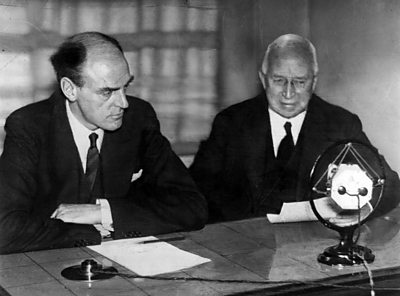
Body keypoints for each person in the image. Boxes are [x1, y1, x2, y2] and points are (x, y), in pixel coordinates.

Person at [0, 32, 207, 254]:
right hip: (48, 263)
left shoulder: (138, 118)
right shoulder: (29, 126)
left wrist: (104, 213)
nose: (123, 103)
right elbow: (4, 230)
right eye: (107, 92)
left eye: (125, 87)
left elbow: (192, 207)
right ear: (70, 89)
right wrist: (93, 232)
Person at [190, 34, 400, 223]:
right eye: (279, 80)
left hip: (316, 244)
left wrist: (362, 211)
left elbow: (389, 184)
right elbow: (198, 188)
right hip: (248, 245)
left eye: (299, 82)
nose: (288, 94)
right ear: (263, 79)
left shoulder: (341, 123)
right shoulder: (231, 122)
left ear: (314, 81)